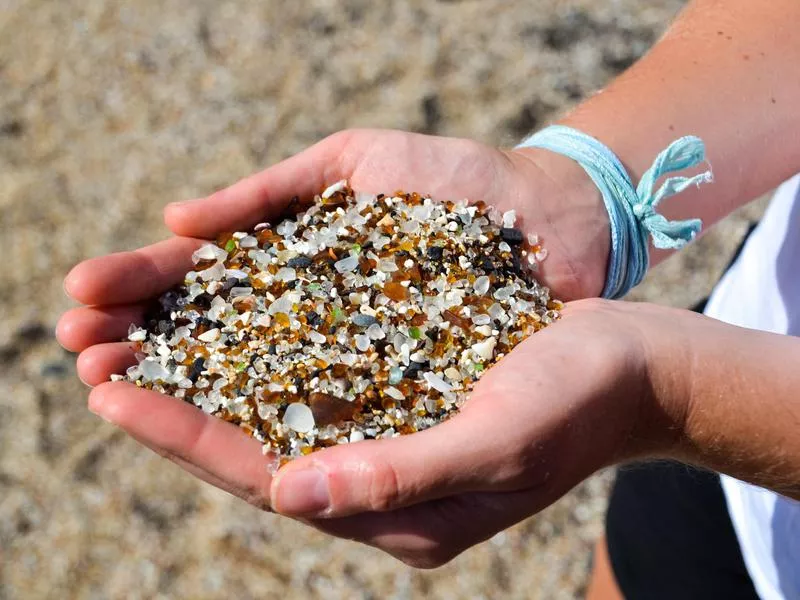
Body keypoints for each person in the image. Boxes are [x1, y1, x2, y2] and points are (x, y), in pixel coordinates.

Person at [57, 0, 800, 597]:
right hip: (744, 386)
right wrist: (585, 187)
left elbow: (671, 385)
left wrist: (674, 394)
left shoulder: (670, 381)